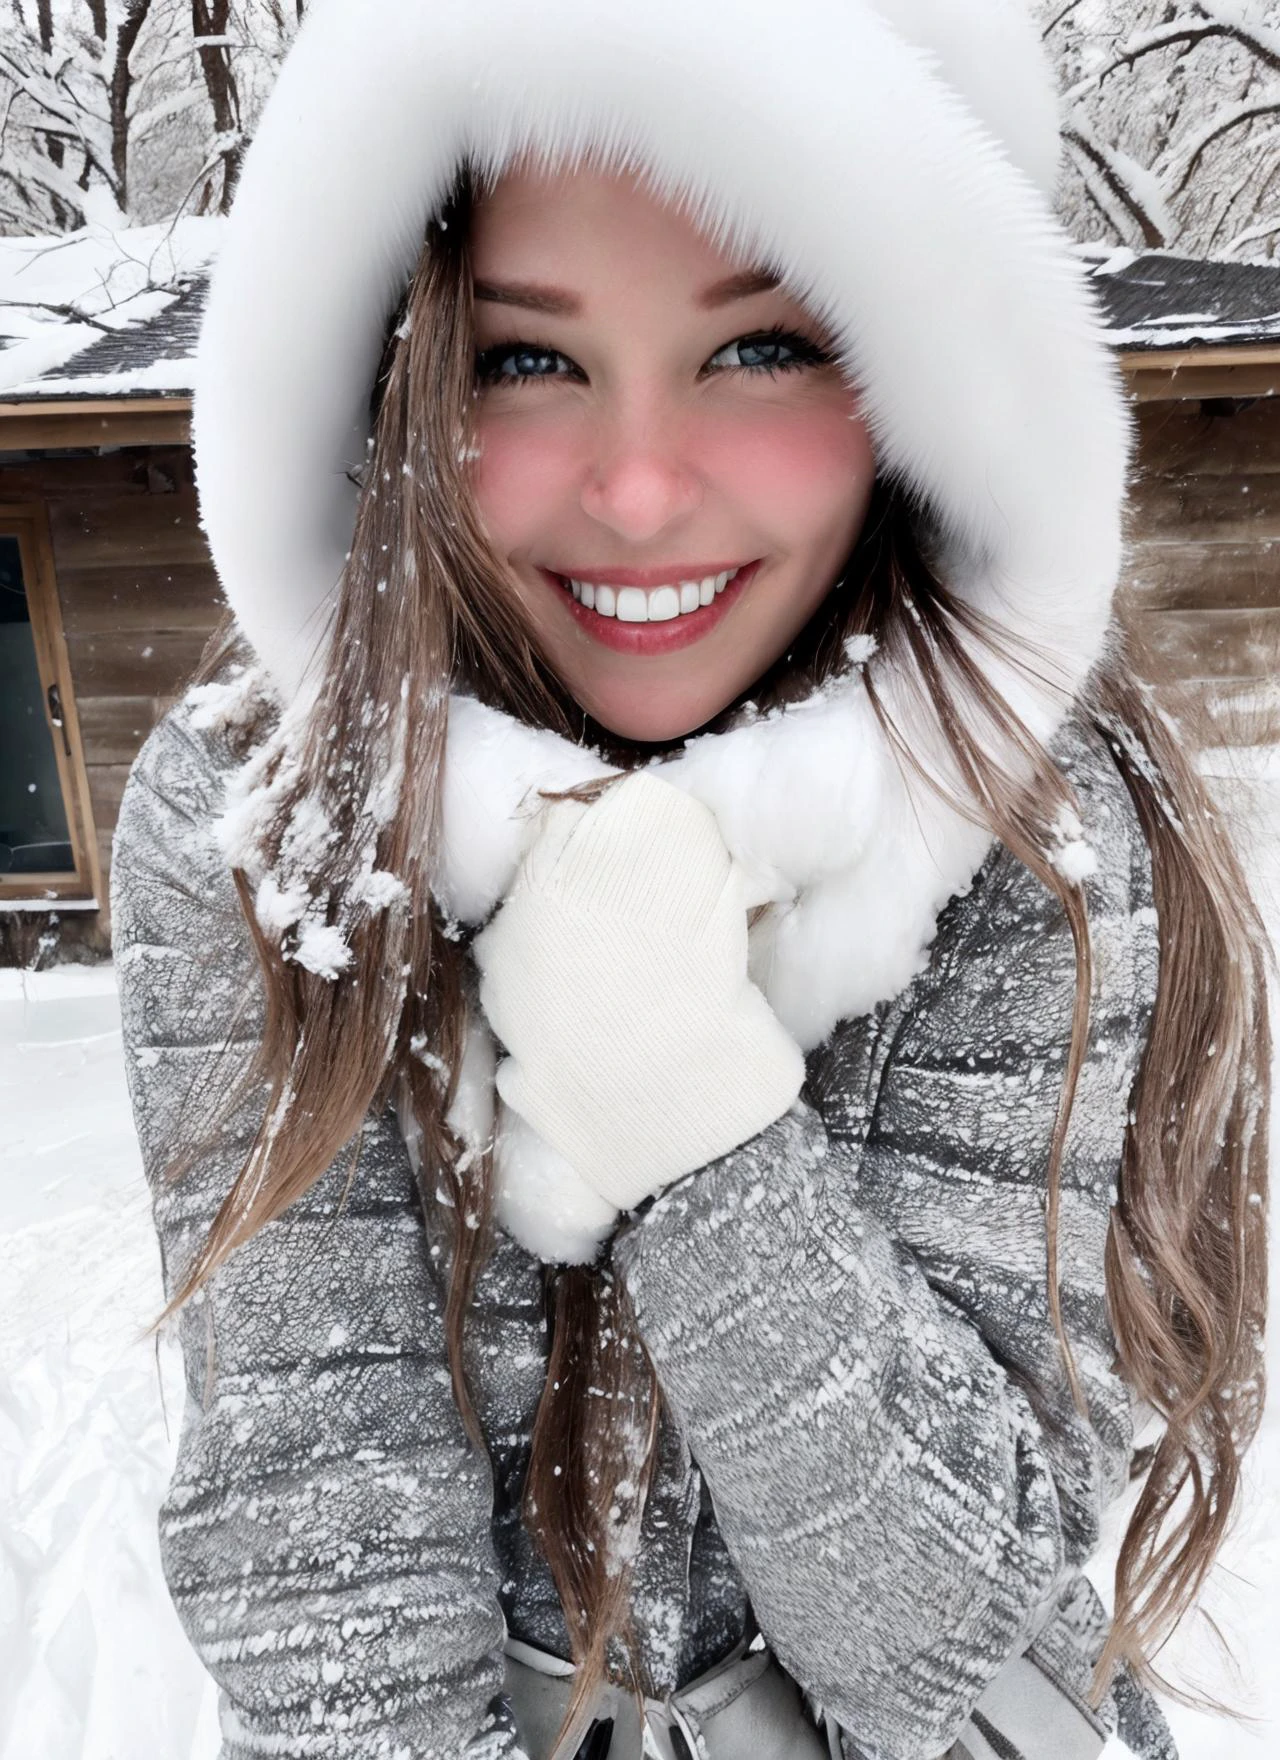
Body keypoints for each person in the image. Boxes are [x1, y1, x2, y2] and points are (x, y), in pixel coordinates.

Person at [109, 3, 1270, 1757]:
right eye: (522, 361)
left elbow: (955, 1628)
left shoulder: (1038, 815)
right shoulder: (267, 805)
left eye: (761, 351)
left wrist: (689, 1115)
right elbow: (314, 1523)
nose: (640, 491)